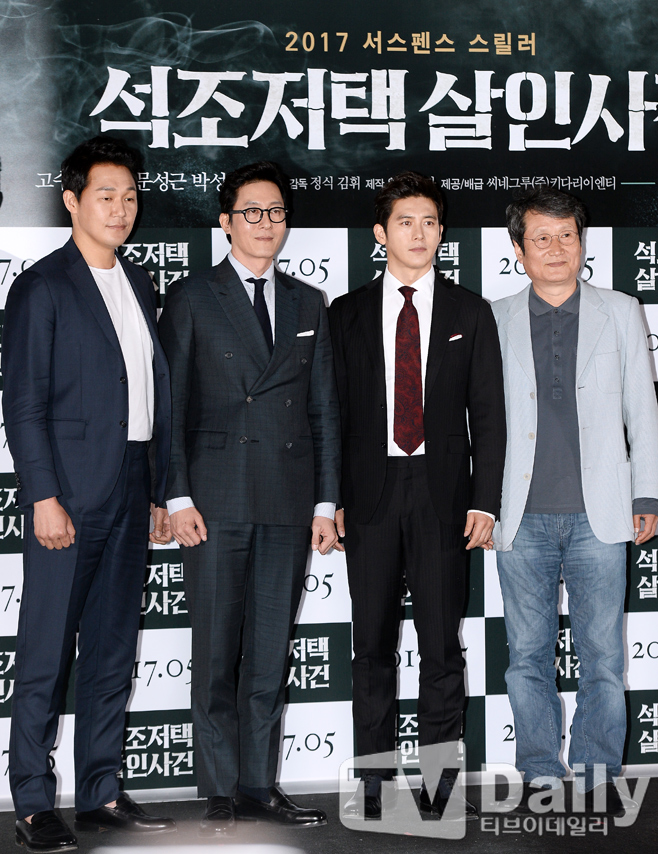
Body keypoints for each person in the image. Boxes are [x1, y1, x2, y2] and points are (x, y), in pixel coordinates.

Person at [2, 136, 175, 853]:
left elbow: (150, 395)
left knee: (111, 652)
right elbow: (24, 404)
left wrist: (159, 490)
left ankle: (100, 792)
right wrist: (42, 496)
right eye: (107, 195)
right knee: (47, 653)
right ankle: (32, 802)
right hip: (68, 496)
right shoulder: (42, 286)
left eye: (130, 196)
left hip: (132, 486)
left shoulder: (138, 281)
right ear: (72, 200)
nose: (121, 208)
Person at [158, 160, 341, 837]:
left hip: (287, 501)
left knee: (269, 652)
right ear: (226, 221)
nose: (266, 224)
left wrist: (325, 504)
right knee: (215, 650)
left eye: (276, 212)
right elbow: (171, 407)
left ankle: (259, 785)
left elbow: (324, 410)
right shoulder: (192, 296)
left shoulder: (307, 302)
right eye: (252, 212)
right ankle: (217, 787)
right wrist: (176, 493)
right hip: (213, 497)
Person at [328, 171, 506, 820]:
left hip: (443, 497)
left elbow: (490, 416)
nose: (420, 233)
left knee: (441, 648)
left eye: (430, 222)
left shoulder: (469, 311)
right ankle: (373, 787)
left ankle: (441, 790)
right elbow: (330, 414)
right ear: (380, 233)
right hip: (368, 497)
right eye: (406, 222)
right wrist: (329, 497)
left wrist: (484, 501)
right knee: (371, 648)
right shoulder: (345, 313)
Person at [492, 186, 658, 816]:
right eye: (542, 237)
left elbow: (643, 410)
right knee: (526, 657)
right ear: (519, 249)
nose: (557, 248)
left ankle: (598, 774)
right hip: (519, 514)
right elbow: (479, 420)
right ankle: (538, 770)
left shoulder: (621, 310)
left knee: (605, 658)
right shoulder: (494, 317)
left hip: (603, 513)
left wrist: (647, 492)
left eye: (567, 235)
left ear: (582, 243)